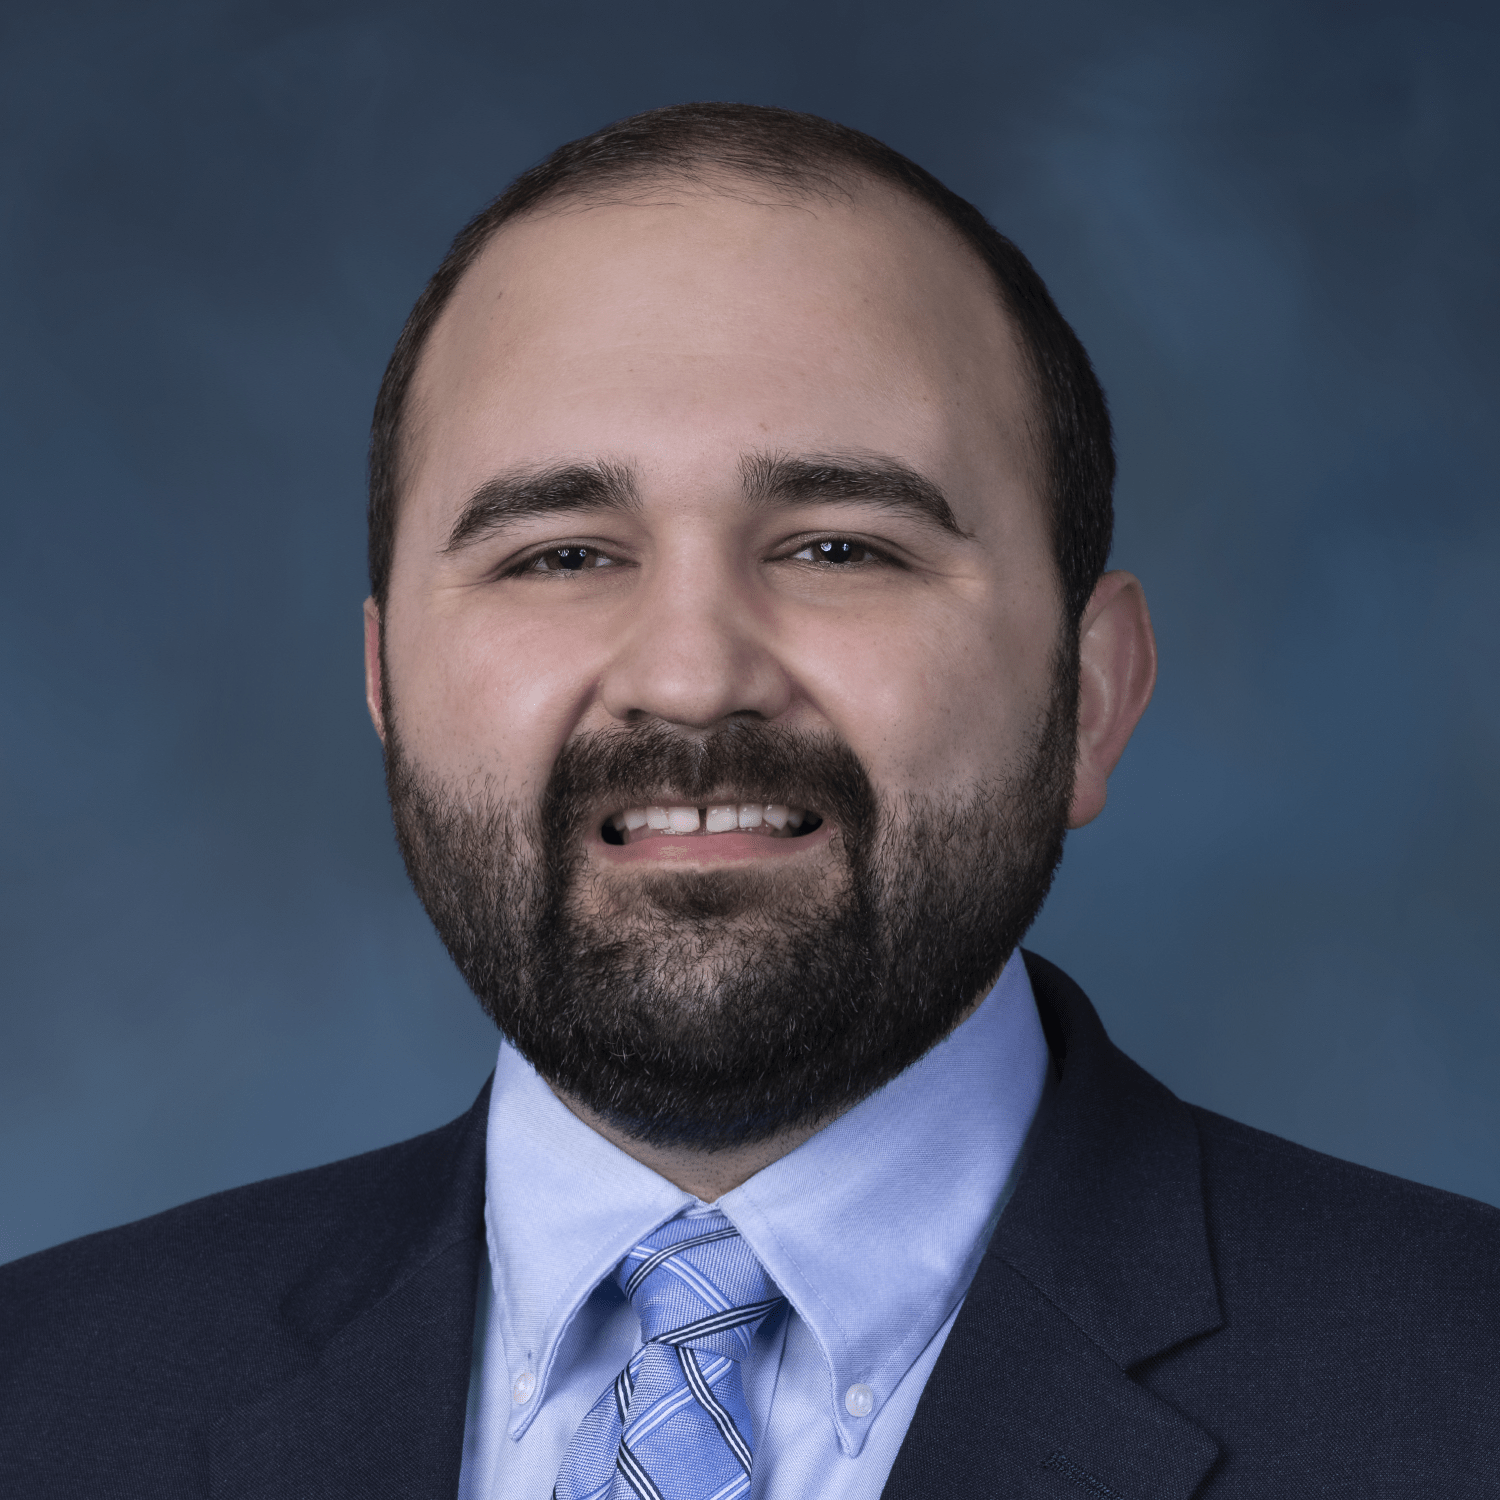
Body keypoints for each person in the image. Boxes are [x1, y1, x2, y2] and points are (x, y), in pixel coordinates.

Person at [1, 103, 1495, 1500]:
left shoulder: (1455, 1394)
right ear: (387, 685)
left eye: (841, 547)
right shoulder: (47, 1395)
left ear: (1091, 695)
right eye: (561, 554)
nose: (693, 676)